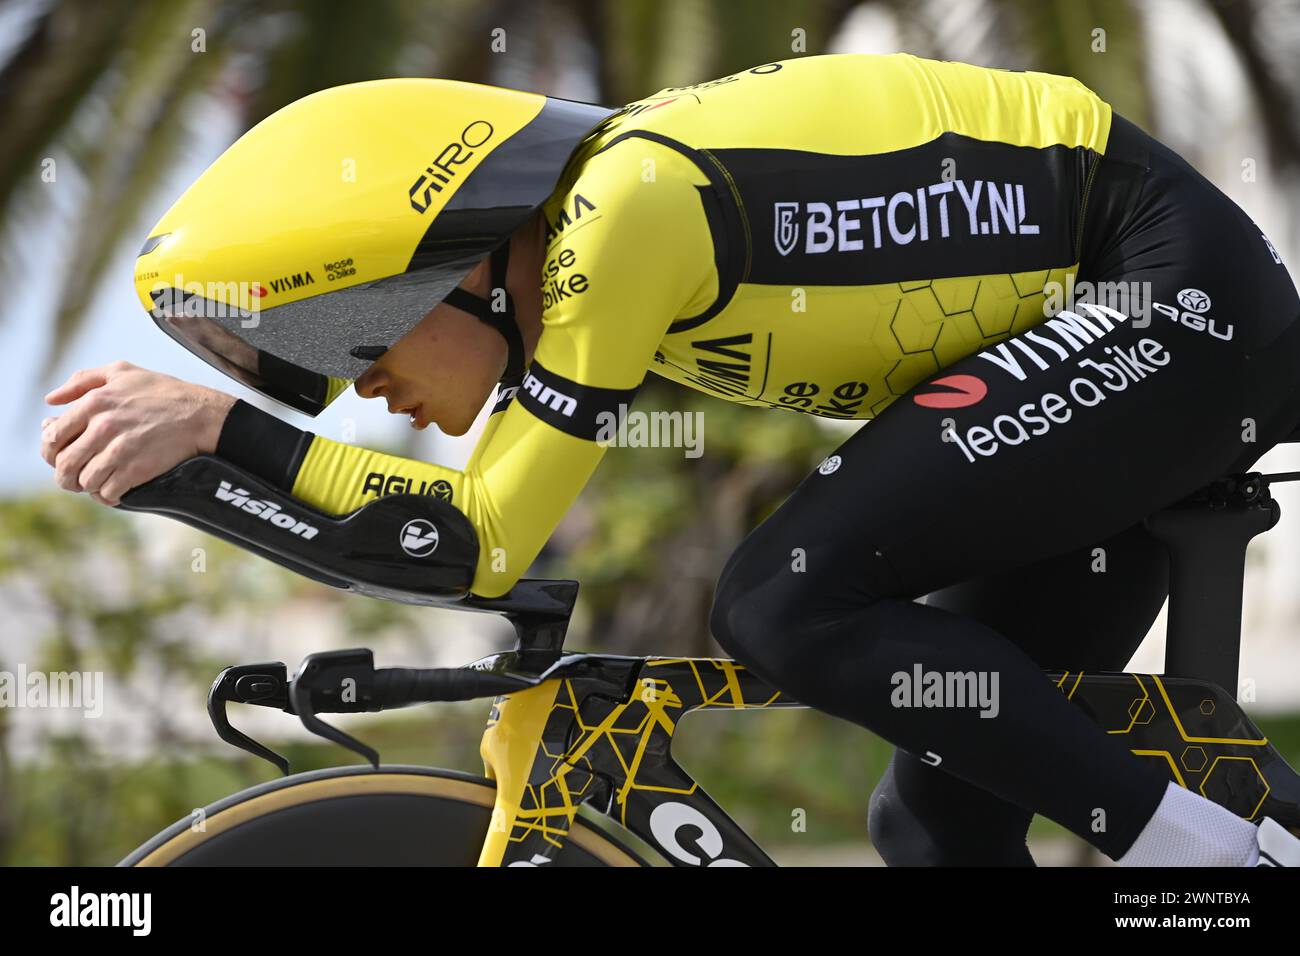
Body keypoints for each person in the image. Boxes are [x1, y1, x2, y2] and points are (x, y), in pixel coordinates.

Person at [40, 53, 1300, 866]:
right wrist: (209, 466)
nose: (371, 391)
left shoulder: (622, 212)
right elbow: (448, 551)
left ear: (450, 262)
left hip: (1159, 287)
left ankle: (1202, 858)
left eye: (360, 342)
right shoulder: (605, 234)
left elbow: (481, 539)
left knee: (776, 597)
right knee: (936, 817)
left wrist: (221, 434)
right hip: (1111, 334)